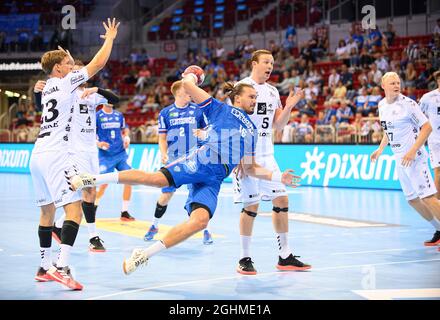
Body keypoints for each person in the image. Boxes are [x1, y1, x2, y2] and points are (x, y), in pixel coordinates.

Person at [68, 68, 302, 275]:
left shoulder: (252, 131)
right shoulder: (219, 108)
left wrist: (277, 176)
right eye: (251, 96)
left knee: (200, 221)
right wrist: (193, 74)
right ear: (237, 98)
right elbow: (189, 84)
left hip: (216, 178)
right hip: (201, 160)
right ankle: (92, 179)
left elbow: (250, 168)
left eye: (256, 97)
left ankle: (144, 254)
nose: (255, 100)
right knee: (158, 180)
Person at [30, 18, 120, 290]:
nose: (73, 67)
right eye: (68, 64)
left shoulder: (47, 89)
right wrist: (110, 39)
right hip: (58, 154)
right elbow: (97, 65)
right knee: (74, 208)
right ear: (59, 69)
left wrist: (65, 58)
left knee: (47, 213)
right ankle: (61, 266)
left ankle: (44, 267)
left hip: (38, 154)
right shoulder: (66, 82)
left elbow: (65, 73)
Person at [232, 50, 311, 275]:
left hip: (268, 153)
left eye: (273, 63)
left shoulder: (272, 91)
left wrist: (289, 107)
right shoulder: (242, 87)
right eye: (266, 62)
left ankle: (285, 255)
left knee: (282, 199)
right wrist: (236, 154)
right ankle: (244, 258)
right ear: (254, 63)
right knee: (251, 206)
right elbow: (233, 121)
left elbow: (278, 126)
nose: (270, 66)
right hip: (246, 153)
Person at [33, 59, 120, 252]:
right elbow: (43, 109)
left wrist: (97, 90)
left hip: (90, 150)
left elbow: (116, 100)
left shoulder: (91, 95)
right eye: (74, 71)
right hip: (71, 151)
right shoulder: (66, 92)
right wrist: (37, 93)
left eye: (80, 72)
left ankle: (58, 226)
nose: (79, 75)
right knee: (85, 192)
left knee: (89, 193)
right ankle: (93, 237)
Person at [371, 72, 440, 248]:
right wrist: (380, 149)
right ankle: (438, 229)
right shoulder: (382, 105)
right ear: (383, 86)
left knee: (429, 198)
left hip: (415, 158)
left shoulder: (408, 104)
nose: (396, 85)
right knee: (412, 200)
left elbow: (427, 127)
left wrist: (413, 150)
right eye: (392, 83)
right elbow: (388, 130)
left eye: (398, 82)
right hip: (400, 159)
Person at [143, 80, 214, 244]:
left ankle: (206, 230)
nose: (190, 92)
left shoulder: (197, 110)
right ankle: (154, 225)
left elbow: (208, 129)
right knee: (166, 195)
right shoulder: (166, 113)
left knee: (198, 194)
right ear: (178, 93)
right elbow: (162, 137)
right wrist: (163, 153)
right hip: (175, 159)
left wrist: (202, 132)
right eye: (186, 90)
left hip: (195, 159)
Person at [94, 102, 136, 221]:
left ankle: (124, 211)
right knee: (103, 183)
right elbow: (90, 134)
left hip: (120, 154)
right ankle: (94, 206)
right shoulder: (97, 116)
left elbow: (125, 128)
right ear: (103, 101)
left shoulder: (118, 115)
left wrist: (126, 137)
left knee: (130, 179)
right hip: (106, 156)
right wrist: (98, 144)